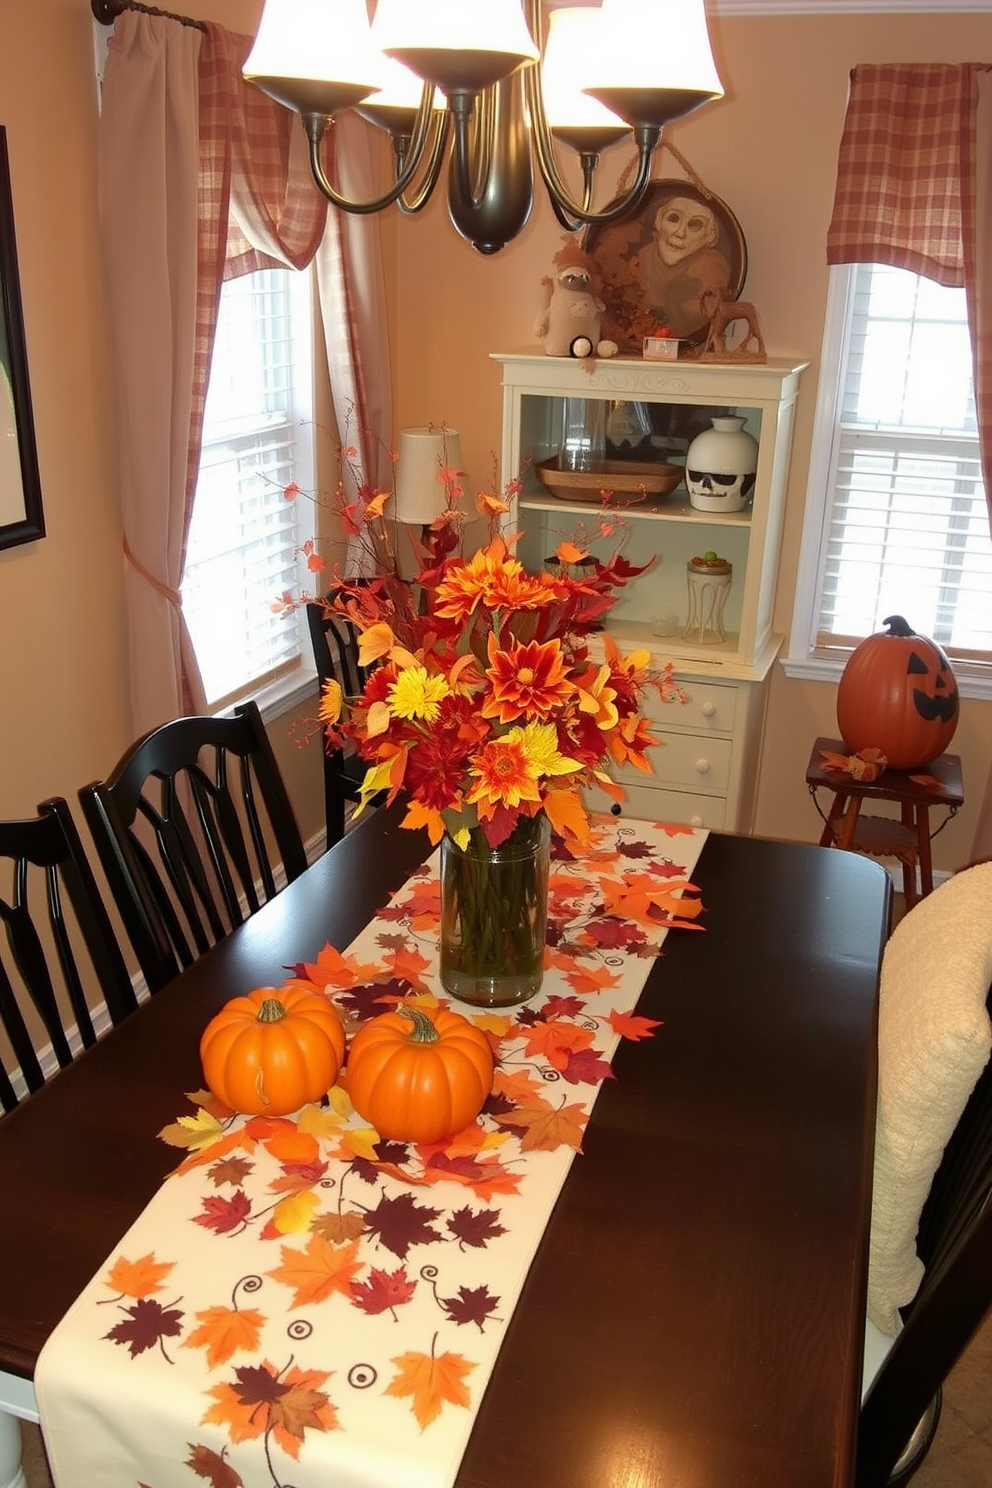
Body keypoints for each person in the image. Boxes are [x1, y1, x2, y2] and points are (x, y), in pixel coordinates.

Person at [637, 195, 732, 340]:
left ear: (710, 235)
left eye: (694, 225)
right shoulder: (645, 256)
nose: (680, 233)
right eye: (673, 219)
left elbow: (705, 316)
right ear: (659, 221)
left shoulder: (712, 265)